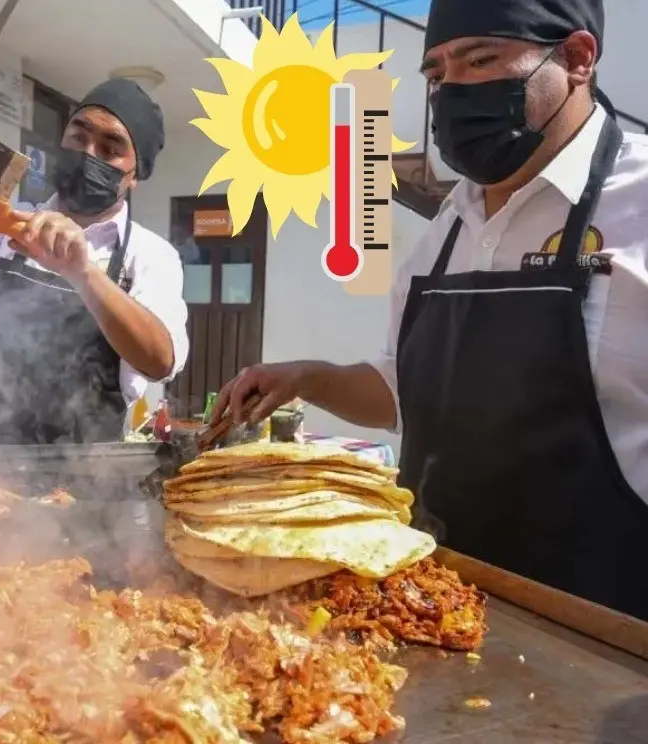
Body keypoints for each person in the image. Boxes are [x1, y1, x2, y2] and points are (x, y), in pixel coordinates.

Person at [212, 0, 648, 620]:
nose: (452, 90)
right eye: (437, 74)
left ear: (577, 58)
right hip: (430, 604)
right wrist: (305, 377)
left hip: (599, 639)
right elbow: (402, 392)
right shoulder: (445, 227)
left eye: (481, 60)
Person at [0, 78, 189, 444]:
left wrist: (82, 272)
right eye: (78, 138)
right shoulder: (3, 228)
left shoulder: (151, 256)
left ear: (134, 176)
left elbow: (160, 360)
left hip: (90, 480)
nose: (88, 154)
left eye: (110, 149)